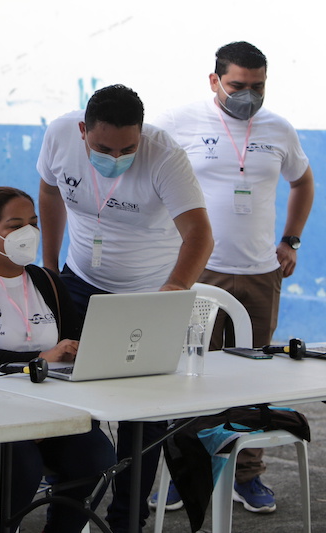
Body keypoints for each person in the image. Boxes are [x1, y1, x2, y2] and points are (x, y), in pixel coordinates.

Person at [37, 84, 214, 533]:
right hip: (79, 282)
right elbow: (50, 194)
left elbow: (200, 235)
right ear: (82, 131)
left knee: (144, 418)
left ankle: (127, 520)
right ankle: (68, 516)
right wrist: (50, 267)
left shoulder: (164, 156)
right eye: (103, 147)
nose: (116, 156)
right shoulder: (59, 136)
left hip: (146, 295)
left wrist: (174, 288)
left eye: (127, 149)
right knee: (72, 404)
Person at [152, 41, 314, 515]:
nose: (248, 95)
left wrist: (292, 241)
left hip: (262, 273)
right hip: (199, 271)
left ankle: (246, 475)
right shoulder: (177, 123)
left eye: (258, 86)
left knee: (253, 379)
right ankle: (187, 474)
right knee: (191, 374)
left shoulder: (278, 129)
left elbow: (303, 181)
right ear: (214, 80)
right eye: (238, 85)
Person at [0, 186, 116, 533]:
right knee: (19, 461)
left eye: (33, 222)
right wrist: (38, 358)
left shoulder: (47, 281)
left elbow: (72, 343)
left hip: (46, 412)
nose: (28, 233)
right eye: (16, 225)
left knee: (97, 454)